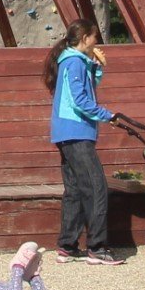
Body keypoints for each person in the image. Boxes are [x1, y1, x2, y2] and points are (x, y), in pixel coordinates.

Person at [46, 19, 118, 264]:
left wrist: (97, 69)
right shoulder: (75, 62)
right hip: (76, 132)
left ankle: (67, 245)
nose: (97, 42)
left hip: (66, 132)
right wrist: (108, 115)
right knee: (96, 187)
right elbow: (80, 101)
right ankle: (97, 247)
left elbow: (86, 90)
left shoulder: (75, 62)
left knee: (75, 190)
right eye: (94, 37)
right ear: (85, 38)